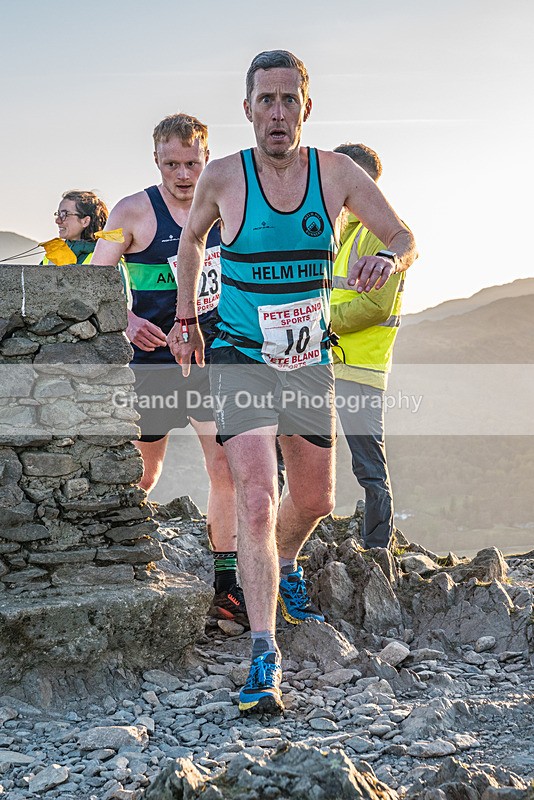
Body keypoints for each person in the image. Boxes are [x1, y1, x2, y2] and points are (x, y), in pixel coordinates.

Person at [169, 51, 417, 714]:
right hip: (241, 354)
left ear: (306, 108)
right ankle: (263, 652)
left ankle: (280, 566)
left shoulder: (336, 174)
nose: (276, 113)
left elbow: (403, 235)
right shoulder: (224, 176)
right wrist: (187, 317)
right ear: (247, 108)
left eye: (288, 100)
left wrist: (389, 260)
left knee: (313, 500)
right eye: (265, 100)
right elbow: (191, 242)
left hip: (307, 361)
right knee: (257, 498)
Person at [92, 113, 246, 624]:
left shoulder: (228, 209)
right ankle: (114, 556)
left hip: (210, 359)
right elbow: (94, 278)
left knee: (224, 468)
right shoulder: (132, 211)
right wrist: (128, 319)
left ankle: (226, 585)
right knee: (145, 472)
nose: (183, 175)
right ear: (156, 160)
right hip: (152, 364)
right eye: (171, 164)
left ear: (207, 159)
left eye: (192, 164)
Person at [331, 143, 407, 549]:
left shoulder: (380, 234)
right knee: (294, 452)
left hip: (359, 369)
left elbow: (376, 306)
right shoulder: (340, 234)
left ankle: (378, 549)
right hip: (326, 364)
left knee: (369, 467)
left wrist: (320, 322)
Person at [44, 190, 108, 264]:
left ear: (85, 221)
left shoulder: (105, 257)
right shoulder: (52, 255)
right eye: (58, 214)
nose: (57, 221)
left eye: (65, 214)